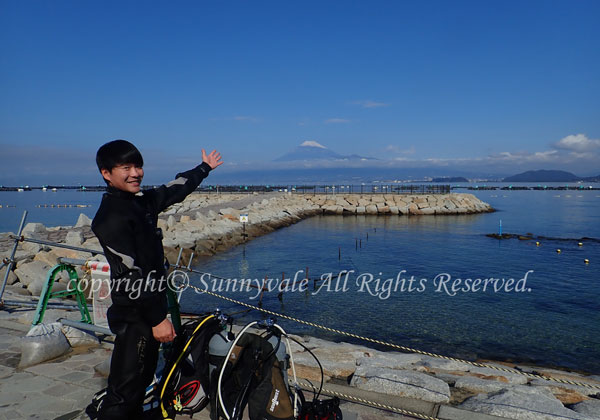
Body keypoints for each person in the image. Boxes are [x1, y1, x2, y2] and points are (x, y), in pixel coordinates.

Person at [91, 139, 222, 419]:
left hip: (150, 306)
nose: (135, 173)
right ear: (106, 173)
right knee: (124, 392)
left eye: (138, 166)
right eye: (126, 167)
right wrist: (156, 320)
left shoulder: (138, 202)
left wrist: (204, 168)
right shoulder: (110, 218)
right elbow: (129, 277)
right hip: (135, 316)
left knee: (139, 385)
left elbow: (174, 189)